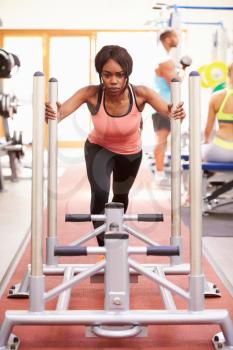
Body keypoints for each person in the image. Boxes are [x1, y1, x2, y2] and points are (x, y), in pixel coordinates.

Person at [45, 45, 185, 247]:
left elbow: (169, 111)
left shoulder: (141, 93)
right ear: (100, 74)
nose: (113, 81)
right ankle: (105, 248)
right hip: (98, 148)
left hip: (130, 153)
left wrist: (177, 112)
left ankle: (115, 232)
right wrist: (52, 113)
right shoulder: (90, 93)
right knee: (100, 193)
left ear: (127, 74)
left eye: (119, 75)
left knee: (120, 196)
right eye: (107, 75)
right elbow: (59, 114)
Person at [152, 28, 189, 185]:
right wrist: (183, 71)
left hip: (166, 103)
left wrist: (182, 69)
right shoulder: (164, 60)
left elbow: (174, 79)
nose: (178, 38)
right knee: (162, 140)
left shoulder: (165, 59)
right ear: (167, 39)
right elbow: (174, 83)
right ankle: (159, 175)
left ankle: (161, 174)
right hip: (164, 105)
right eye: (175, 36)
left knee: (165, 140)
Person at [202, 62, 233, 162]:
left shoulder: (216, 97)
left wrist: (206, 141)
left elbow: (207, 131)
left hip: (219, 150)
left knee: (199, 153)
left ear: (228, 74)